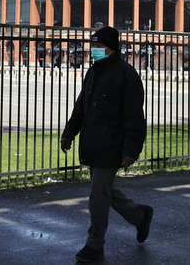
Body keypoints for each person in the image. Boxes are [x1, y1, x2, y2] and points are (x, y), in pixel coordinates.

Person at [60, 26, 153, 263]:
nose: (94, 50)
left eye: (99, 46)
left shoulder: (126, 74)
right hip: (94, 143)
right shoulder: (94, 72)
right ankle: (140, 215)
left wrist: (131, 150)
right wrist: (69, 133)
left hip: (112, 145)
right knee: (105, 190)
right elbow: (81, 106)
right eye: (93, 45)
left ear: (111, 48)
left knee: (98, 195)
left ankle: (95, 245)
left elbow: (134, 116)